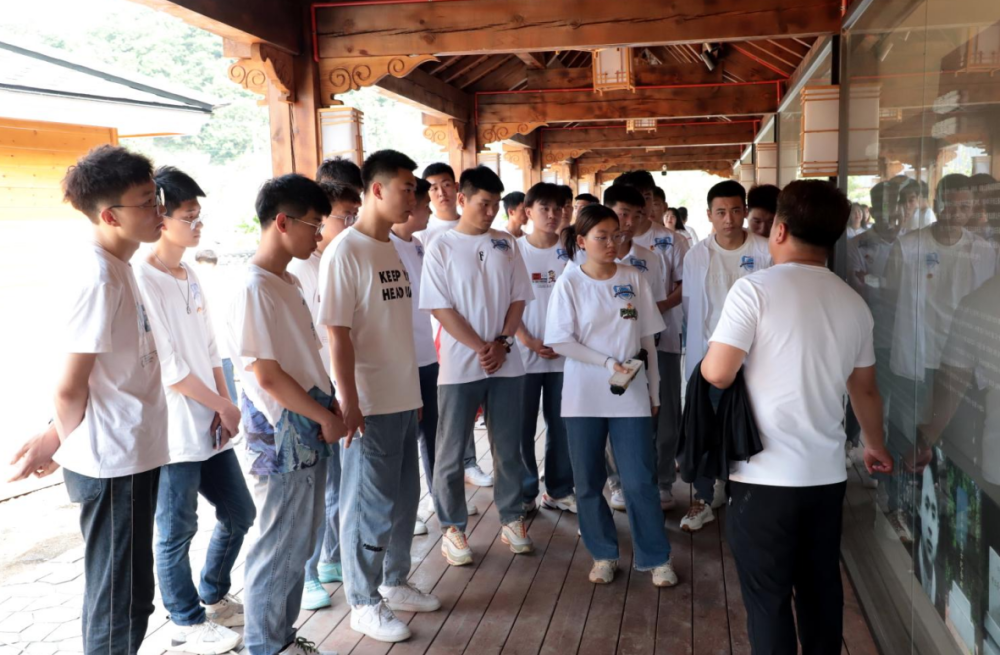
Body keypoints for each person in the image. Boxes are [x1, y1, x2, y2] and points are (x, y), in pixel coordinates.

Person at [699, 179, 894, 655]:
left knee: (767, 601)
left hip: (763, 477)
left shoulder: (753, 290)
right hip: (825, 476)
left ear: (780, 230)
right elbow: (865, 388)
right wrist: (874, 445)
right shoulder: (852, 302)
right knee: (821, 592)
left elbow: (719, 373)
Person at [8, 145, 170, 655]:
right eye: (146, 201)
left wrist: (55, 436)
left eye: (157, 197)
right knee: (119, 601)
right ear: (110, 216)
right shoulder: (99, 277)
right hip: (112, 460)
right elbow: (69, 385)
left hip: (130, 452)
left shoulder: (120, 266)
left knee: (132, 596)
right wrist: (61, 440)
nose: (159, 210)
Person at [319, 150, 440, 643]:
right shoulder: (345, 250)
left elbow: (396, 328)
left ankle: (393, 580)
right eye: (407, 188)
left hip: (402, 394)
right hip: (368, 403)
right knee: (366, 504)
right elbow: (337, 333)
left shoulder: (391, 246)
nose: (414, 197)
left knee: (404, 498)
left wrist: (412, 391)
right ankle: (363, 601)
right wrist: (349, 401)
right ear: (376, 189)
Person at [136, 166, 254, 654]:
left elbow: (210, 349)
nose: (197, 225)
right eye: (189, 216)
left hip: (209, 417)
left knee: (240, 512)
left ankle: (212, 593)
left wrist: (225, 404)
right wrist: (222, 404)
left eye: (199, 215)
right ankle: (185, 620)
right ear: (161, 217)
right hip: (173, 430)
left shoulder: (189, 274)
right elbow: (169, 366)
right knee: (176, 529)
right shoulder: (142, 277)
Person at [228, 174, 347, 655]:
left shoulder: (288, 280)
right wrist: (324, 416)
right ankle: (264, 645)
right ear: (282, 222)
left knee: (299, 539)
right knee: (279, 542)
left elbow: (302, 358)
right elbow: (267, 375)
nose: (318, 236)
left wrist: (329, 403)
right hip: (282, 428)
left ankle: (280, 637)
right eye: (314, 225)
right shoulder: (254, 286)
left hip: (307, 418)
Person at [544, 204, 679, 588]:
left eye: (615, 235)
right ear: (581, 241)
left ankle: (656, 557)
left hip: (630, 394)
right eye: (600, 236)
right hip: (583, 396)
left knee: (639, 480)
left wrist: (654, 391)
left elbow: (648, 341)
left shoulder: (633, 277)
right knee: (588, 481)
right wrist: (605, 362)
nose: (610, 243)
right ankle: (603, 553)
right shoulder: (569, 282)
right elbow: (559, 341)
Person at [420, 165, 534, 566]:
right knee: (451, 451)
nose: (490, 212)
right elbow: (439, 306)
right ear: (462, 199)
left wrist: (502, 343)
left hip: (506, 363)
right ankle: (452, 527)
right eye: (483, 204)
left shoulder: (506, 243)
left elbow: (519, 297)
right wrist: (481, 347)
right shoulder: (441, 245)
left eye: (495, 205)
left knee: (508, 447)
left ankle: (513, 518)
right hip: (458, 366)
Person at [287, 181, 362, 611]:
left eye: (355, 215)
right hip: (309, 392)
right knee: (313, 492)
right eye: (341, 216)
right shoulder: (299, 268)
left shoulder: (334, 259)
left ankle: (330, 558)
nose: (349, 223)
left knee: (335, 485)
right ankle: (308, 572)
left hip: (332, 385)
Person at [681, 179, 772, 531]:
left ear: (745, 211)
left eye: (736, 210)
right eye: (720, 212)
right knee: (707, 427)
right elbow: (691, 308)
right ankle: (705, 497)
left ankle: (744, 496)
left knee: (753, 427)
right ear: (709, 215)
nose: (729, 219)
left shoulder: (764, 250)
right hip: (711, 358)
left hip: (757, 359)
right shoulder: (696, 255)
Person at [614, 171, 687, 510]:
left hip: (663, 341)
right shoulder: (603, 241)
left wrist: (654, 312)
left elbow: (681, 286)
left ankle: (663, 481)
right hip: (615, 350)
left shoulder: (668, 242)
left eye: (644, 197)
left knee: (664, 414)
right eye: (628, 203)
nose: (638, 208)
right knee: (619, 412)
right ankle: (619, 481)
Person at [595, 184, 670, 510]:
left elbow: (653, 309)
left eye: (635, 215)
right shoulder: (583, 259)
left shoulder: (649, 259)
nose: (627, 222)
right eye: (622, 213)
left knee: (642, 419)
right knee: (606, 422)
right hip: (600, 355)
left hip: (639, 352)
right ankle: (616, 483)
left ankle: (645, 482)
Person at [418, 161, 492, 489]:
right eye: (432, 187)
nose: (441, 192)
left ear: (458, 189)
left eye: (446, 184)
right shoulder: (423, 234)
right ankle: (460, 466)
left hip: (486, 331)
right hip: (439, 331)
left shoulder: (483, 228)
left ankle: (470, 463)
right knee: (452, 408)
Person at [515, 182, 576, 514]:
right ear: (528, 212)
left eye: (558, 208)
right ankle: (526, 493)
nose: (552, 215)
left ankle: (559, 489)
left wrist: (562, 340)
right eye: (544, 208)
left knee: (562, 425)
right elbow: (505, 299)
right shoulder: (513, 250)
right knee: (521, 428)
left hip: (564, 356)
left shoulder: (573, 250)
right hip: (523, 356)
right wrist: (527, 339)